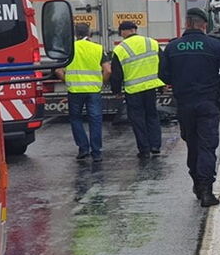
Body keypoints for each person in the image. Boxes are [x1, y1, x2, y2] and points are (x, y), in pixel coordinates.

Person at [159, 7, 220, 207]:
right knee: (207, 145)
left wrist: (179, 81)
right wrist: (218, 82)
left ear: (187, 23)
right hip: (208, 102)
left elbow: (163, 76)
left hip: (184, 104)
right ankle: (206, 190)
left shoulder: (173, 47)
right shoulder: (214, 45)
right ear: (203, 25)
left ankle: (197, 182)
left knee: (193, 145)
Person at [56, 23, 110, 162]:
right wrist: (101, 83)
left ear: (75, 34)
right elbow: (108, 70)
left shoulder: (68, 48)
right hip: (93, 90)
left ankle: (83, 149)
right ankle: (96, 152)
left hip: (74, 91)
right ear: (90, 32)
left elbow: (58, 70)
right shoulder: (98, 48)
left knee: (76, 119)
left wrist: (68, 81)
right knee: (95, 120)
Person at [111, 21, 164, 158]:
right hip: (151, 87)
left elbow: (116, 74)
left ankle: (144, 149)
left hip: (133, 90)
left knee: (137, 120)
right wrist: (163, 84)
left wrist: (116, 91)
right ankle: (155, 146)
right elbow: (163, 64)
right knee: (152, 116)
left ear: (123, 32)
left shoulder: (120, 49)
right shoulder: (152, 42)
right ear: (135, 29)